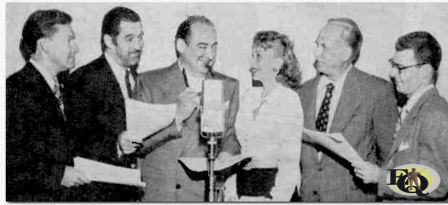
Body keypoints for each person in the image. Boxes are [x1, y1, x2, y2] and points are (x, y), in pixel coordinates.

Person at [135, 15, 241, 201]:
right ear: (181, 46)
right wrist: (176, 118)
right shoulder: (148, 83)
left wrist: (227, 152)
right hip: (162, 195)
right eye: (202, 46)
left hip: (204, 195)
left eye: (214, 47)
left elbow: (230, 136)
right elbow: (137, 145)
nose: (210, 55)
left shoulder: (228, 86)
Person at [297, 18, 399, 201]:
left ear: (346, 53)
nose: (316, 52)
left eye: (324, 46)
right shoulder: (303, 92)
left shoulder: (377, 91)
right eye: (316, 44)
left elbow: (389, 157)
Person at [353, 31, 448, 201]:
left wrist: (381, 177)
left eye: (400, 68)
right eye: (392, 65)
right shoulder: (415, 108)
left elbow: (438, 183)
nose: (392, 73)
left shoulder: (435, 114)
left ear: (425, 72)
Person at [6, 9, 89, 201]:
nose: (76, 48)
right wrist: (58, 175)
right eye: (69, 40)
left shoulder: (67, 88)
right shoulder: (14, 90)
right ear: (44, 45)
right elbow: (9, 165)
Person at [64, 6, 146, 201]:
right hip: (97, 195)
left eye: (140, 37)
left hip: (129, 193)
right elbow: (73, 144)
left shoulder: (136, 78)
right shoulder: (83, 79)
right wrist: (117, 145)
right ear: (109, 41)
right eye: (129, 39)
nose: (138, 45)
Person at [224, 30, 303, 201]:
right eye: (252, 56)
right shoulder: (248, 96)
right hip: (242, 186)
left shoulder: (288, 100)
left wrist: (274, 198)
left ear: (277, 63)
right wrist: (230, 190)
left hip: (272, 187)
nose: (251, 63)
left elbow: (289, 163)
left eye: (258, 56)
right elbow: (237, 149)